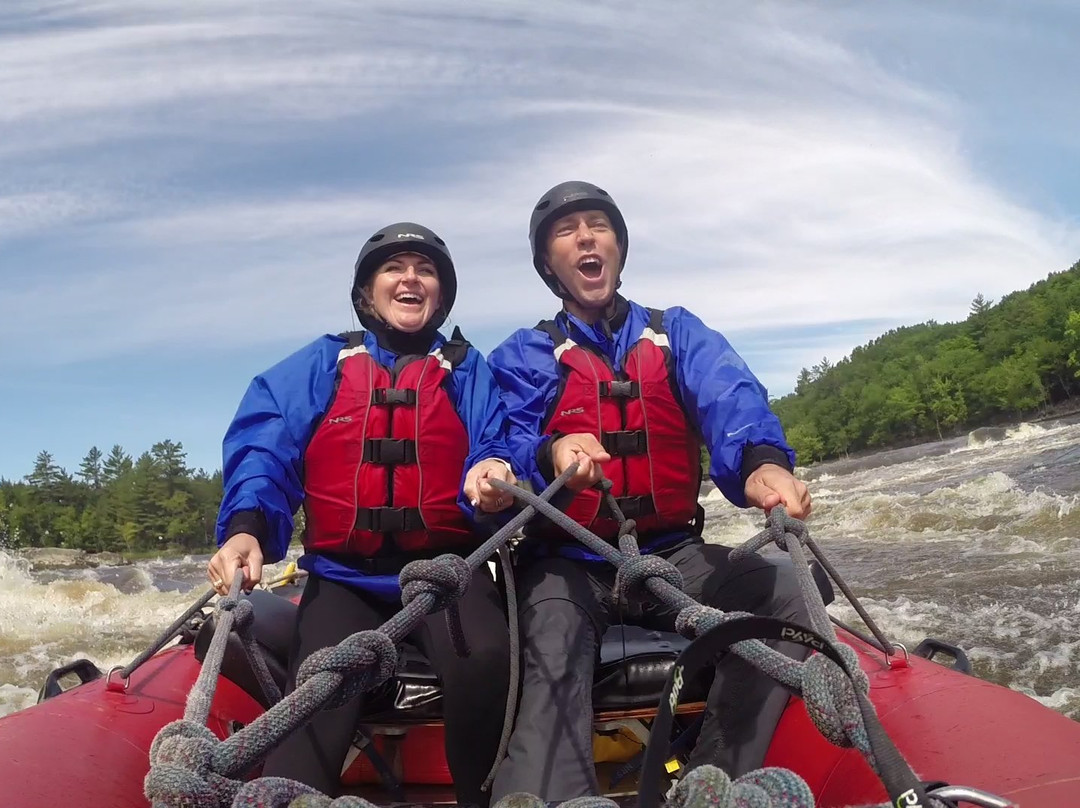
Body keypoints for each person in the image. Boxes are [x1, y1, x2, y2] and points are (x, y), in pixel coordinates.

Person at [486, 181, 814, 801]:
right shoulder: (525, 354)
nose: (585, 237)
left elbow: (730, 399)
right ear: (548, 264)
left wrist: (760, 464)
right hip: (568, 561)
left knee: (792, 588)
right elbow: (503, 441)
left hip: (673, 554)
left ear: (618, 246)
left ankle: (713, 781)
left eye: (598, 225)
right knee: (551, 647)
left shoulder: (675, 334)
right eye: (566, 231)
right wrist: (549, 451)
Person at [207, 223, 515, 806]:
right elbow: (265, 448)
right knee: (322, 687)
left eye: (425, 271)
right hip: (344, 578)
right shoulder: (323, 363)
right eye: (395, 267)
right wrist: (246, 526)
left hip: (447, 576)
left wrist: (493, 467)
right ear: (367, 290)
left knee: (487, 662)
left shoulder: (467, 368)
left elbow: (496, 438)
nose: (410, 279)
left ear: (441, 295)